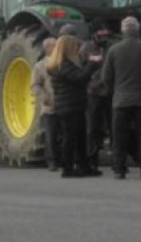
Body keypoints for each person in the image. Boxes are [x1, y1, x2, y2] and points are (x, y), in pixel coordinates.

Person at [102, 17, 141, 179]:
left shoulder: (114, 50)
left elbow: (106, 76)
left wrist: (115, 91)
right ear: (138, 30)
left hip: (120, 101)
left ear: (123, 31)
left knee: (119, 137)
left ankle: (119, 169)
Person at [49, 35, 103, 178]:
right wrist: (92, 63)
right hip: (69, 106)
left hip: (74, 104)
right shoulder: (63, 64)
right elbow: (79, 77)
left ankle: (83, 165)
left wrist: (90, 65)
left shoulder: (64, 64)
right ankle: (68, 168)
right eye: (75, 46)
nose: (78, 49)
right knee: (70, 137)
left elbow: (80, 75)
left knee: (80, 137)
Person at [82, 19, 112, 169]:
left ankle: (117, 157)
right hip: (93, 93)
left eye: (105, 30)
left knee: (112, 126)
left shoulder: (111, 47)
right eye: (101, 30)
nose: (104, 33)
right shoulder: (86, 47)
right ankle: (92, 157)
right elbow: (81, 67)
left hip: (109, 92)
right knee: (93, 127)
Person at [32, 37, 60, 171]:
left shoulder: (62, 62)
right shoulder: (40, 66)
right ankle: (51, 160)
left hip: (64, 104)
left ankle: (64, 158)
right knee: (51, 134)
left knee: (65, 133)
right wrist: (44, 98)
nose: (57, 48)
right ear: (47, 48)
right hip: (49, 106)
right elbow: (35, 85)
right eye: (54, 46)